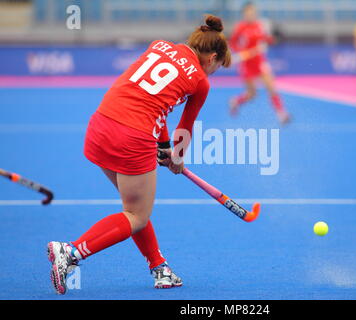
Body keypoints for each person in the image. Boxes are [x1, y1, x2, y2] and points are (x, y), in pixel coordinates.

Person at [47, 15, 231, 294]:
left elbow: (155, 101)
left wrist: (165, 147)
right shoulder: (200, 82)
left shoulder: (159, 46)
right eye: (217, 67)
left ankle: (160, 269)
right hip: (131, 137)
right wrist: (178, 157)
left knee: (134, 208)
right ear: (212, 57)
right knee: (137, 214)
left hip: (101, 124)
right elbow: (186, 125)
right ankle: (71, 252)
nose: (213, 73)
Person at [229, 2, 290, 124]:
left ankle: (281, 114)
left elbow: (265, 39)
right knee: (252, 94)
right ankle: (235, 101)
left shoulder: (259, 25)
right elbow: (233, 44)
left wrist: (274, 39)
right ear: (244, 13)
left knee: (271, 88)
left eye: (253, 12)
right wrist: (243, 52)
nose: (251, 14)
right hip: (246, 64)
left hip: (259, 62)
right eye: (249, 12)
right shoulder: (240, 27)